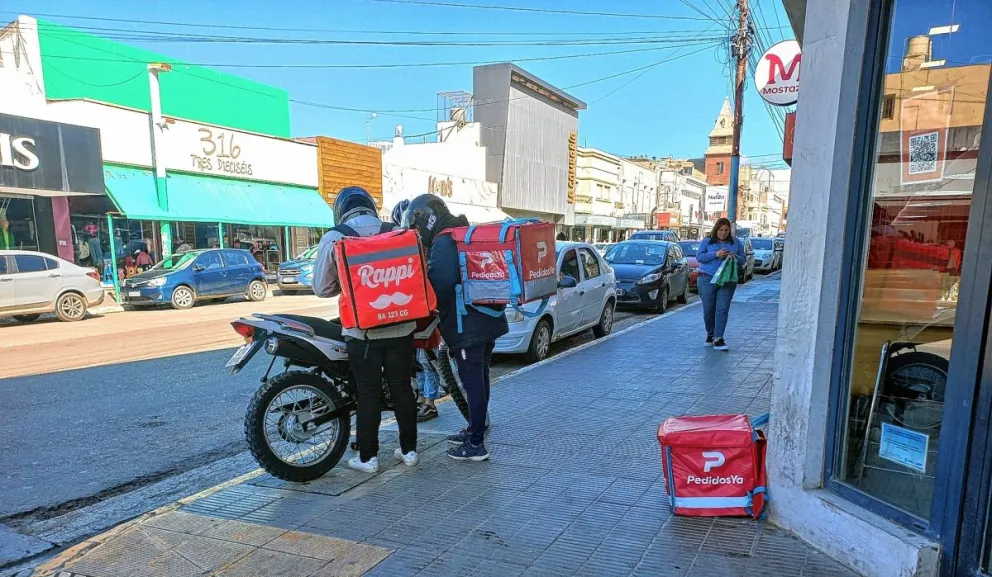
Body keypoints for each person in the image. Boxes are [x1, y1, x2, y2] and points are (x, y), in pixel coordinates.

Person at [312, 187, 420, 474]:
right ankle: (409, 451)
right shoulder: (397, 230)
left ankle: (368, 458)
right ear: (371, 207)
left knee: (368, 391)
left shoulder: (335, 237)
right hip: (402, 324)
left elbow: (322, 288)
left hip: (362, 332)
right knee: (401, 387)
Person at [404, 194, 508, 462]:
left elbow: (440, 281)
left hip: (467, 326)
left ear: (426, 217)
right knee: (480, 378)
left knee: (472, 382)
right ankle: (477, 428)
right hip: (487, 319)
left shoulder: (443, 241)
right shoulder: (461, 232)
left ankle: (475, 444)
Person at [390, 199, 442, 422]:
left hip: (428, 312)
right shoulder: (413, 248)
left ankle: (430, 401)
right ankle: (423, 398)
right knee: (419, 360)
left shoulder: (430, 247)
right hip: (414, 312)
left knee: (429, 358)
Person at [695, 217, 747, 352]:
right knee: (708, 310)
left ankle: (719, 338)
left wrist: (734, 256)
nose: (723, 233)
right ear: (716, 230)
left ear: (729, 231)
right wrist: (715, 254)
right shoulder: (707, 241)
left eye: (726, 230)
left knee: (722, 309)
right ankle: (710, 334)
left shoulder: (735, 242)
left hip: (727, 280)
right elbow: (699, 257)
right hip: (707, 279)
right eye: (720, 230)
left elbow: (742, 259)